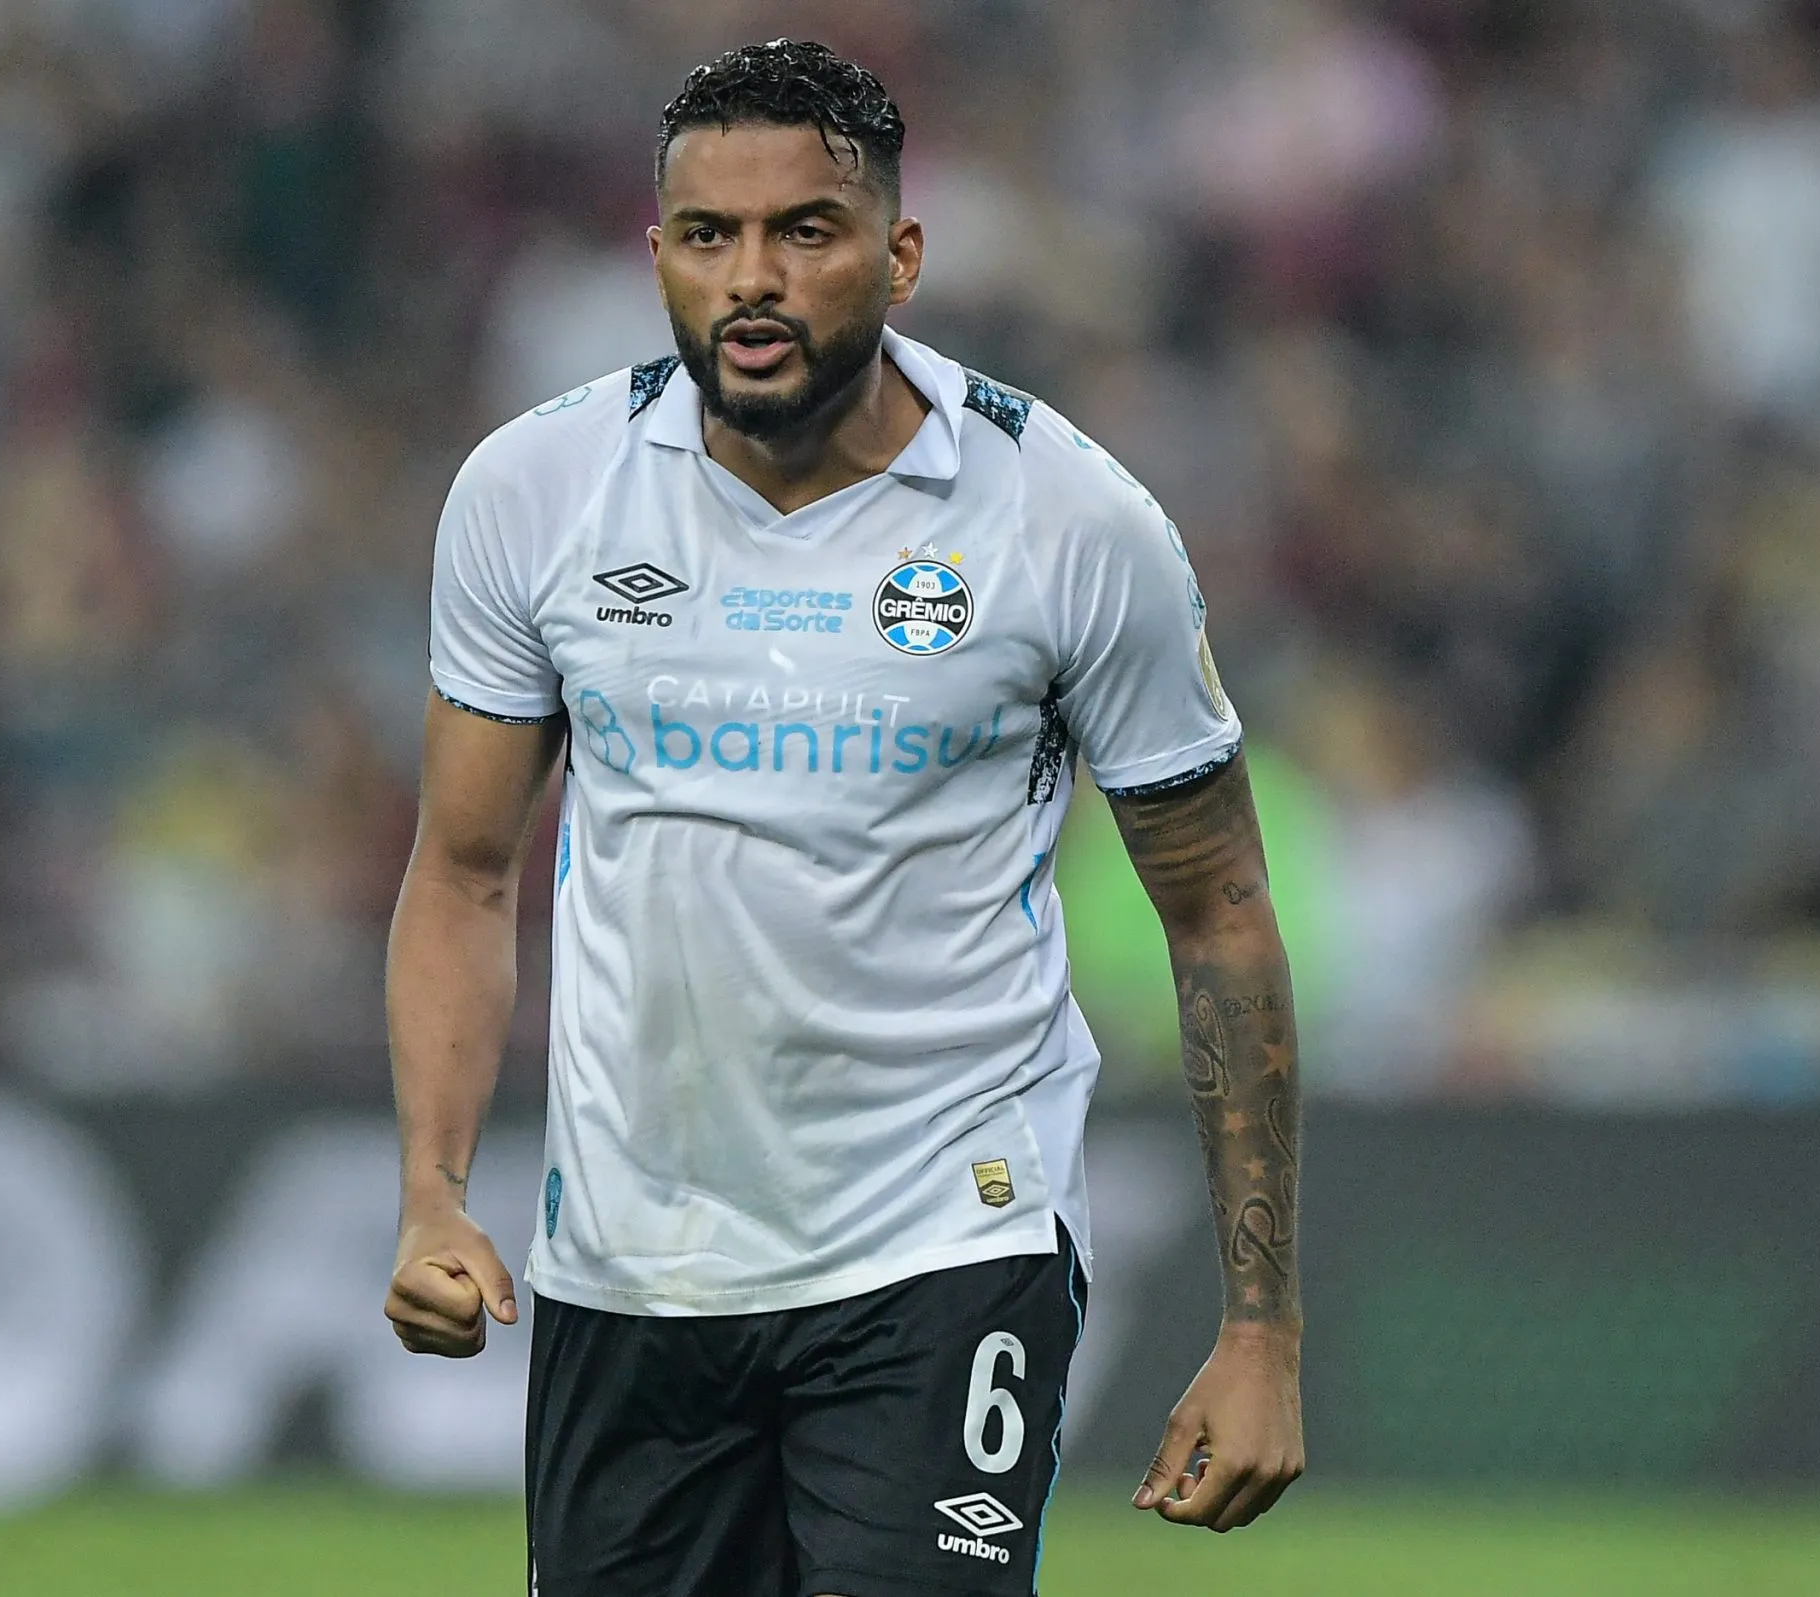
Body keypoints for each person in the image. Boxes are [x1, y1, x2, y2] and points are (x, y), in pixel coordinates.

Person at [385, 40, 1303, 1594]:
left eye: (805, 231)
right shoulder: (532, 493)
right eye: (709, 234)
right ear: (657, 251)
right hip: (631, 1263)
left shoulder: (1070, 523)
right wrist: (430, 1188)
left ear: (900, 252)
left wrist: (1262, 1328)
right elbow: (465, 876)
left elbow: (1218, 909)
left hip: (948, 1243)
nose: (753, 277)